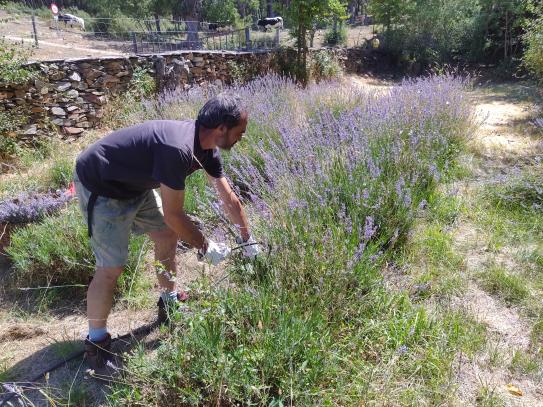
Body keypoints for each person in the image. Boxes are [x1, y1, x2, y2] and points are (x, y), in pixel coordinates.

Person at [73, 93, 260, 374]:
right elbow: (175, 215)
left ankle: (168, 301)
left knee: (166, 235)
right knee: (111, 268)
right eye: (240, 131)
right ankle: (97, 345)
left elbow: (229, 198)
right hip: (103, 184)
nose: (242, 137)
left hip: (133, 185)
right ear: (222, 128)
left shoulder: (207, 149)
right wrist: (205, 246)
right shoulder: (177, 148)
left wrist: (248, 240)